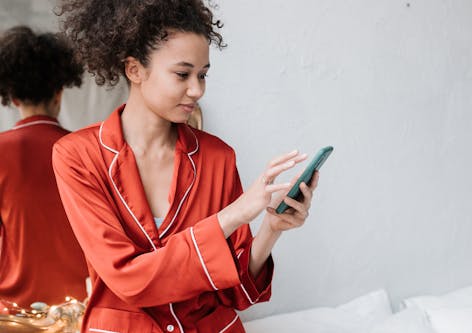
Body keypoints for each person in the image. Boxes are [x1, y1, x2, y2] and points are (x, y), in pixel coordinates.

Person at [54, 1, 320, 332]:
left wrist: (271, 229)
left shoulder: (218, 157)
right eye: (182, 74)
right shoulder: (77, 156)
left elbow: (235, 293)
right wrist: (234, 214)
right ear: (134, 69)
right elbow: (128, 279)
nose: (197, 90)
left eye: (203, 75)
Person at [0, 26, 88, 308]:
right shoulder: (85, 150)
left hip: (14, 311)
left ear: (12, 98)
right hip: (79, 307)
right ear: (59, 93)